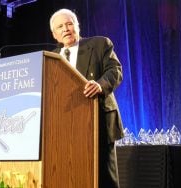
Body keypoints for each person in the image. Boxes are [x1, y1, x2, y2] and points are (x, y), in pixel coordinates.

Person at [49, 8, 125, 188]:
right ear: (54, 35)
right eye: (60, 26)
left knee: (105, 177)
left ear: (77, 26)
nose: (65, 29)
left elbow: (115, 71)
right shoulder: (51, 57)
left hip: (98, 120)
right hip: (64, 126)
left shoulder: (99, 44)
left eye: (69, 23)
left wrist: (100, 85)